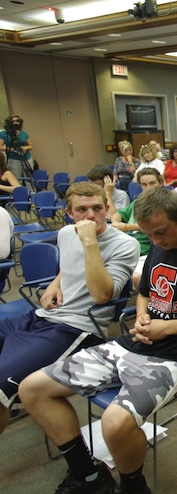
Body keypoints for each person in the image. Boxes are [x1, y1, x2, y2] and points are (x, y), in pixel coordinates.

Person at [20, 187, 177, 494]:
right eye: (150, 235)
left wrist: (166, 328)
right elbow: (145, 294)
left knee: (114, 423)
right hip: (136, 343)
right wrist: (142, 316)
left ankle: (134, 487)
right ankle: (88, 476)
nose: (158, 241)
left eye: (162, 232)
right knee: (32, 389)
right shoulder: (160, 244)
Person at [0, 182, 139, 436]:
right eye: (81, 210)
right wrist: (56, 283)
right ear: (69, 213)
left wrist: (89, 242)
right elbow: (68, 266)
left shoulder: (125, 245)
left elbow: (101, 295)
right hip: (43, 316)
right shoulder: (65, 233)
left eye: (97, 208)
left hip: (77, 329)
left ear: (106, 208)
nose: (90, 216)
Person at [110, 168, 164, 288]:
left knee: (134, 278)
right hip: (125, 247)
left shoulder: (164, 203)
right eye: (144, 184)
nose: (148, 188)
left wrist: (125, 227)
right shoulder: (138, 202)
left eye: (152, 183)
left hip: (144, 251)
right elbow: (116, 215)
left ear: (160, 184)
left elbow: (156, 226)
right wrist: (116, 224)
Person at [0, 115, 34, 181]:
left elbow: (31, 146)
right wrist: (12, 149)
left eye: (17, 121)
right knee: (17, 179)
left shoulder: (24, 133)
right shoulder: (4, 134)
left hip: (26, 158)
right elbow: (0, 147)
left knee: (29, 179)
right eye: (13, 121)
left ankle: (31, 191)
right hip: (13, 159)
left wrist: (25, 148)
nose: (15, 123)